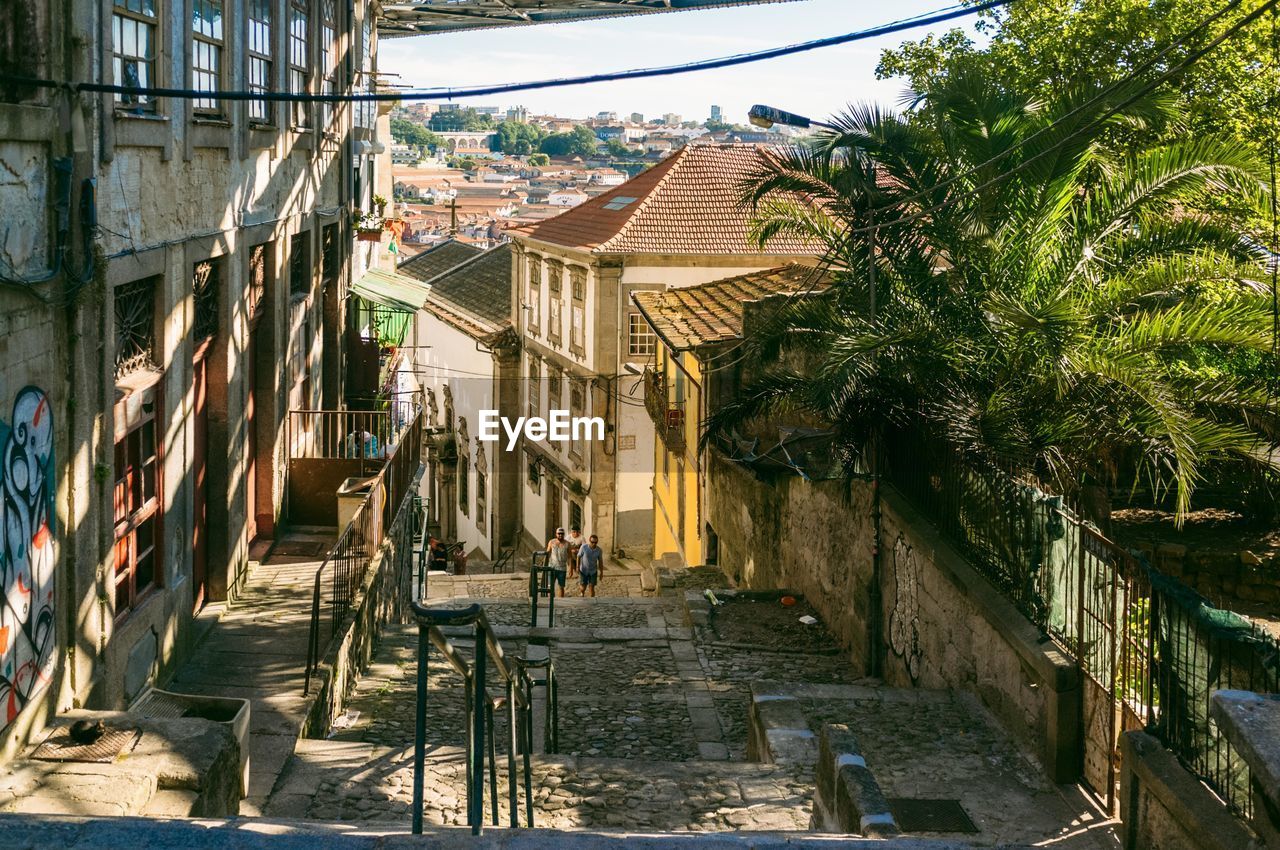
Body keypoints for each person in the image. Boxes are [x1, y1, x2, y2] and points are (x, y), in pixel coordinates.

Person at [545, 527, 570, 598]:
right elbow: (547, 553)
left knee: (561, 586)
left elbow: (570, 557)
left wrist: (570, 568)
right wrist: (545, 564)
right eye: (559, 534)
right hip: (552, 567)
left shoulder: (567, 544)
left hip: (562, 568)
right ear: (556, 534)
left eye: (562, 534)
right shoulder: (551, 542)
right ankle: (551, 602)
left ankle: (560, 601)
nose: (560, 535)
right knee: (550, 586)